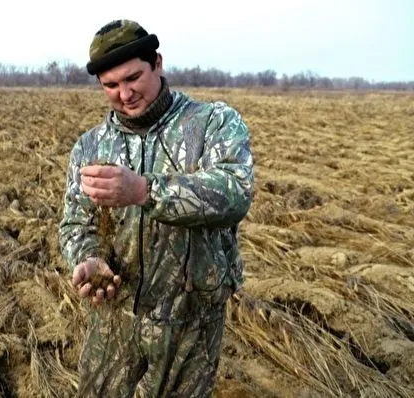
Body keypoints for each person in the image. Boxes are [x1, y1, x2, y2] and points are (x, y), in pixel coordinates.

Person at [58, 19, 254, 398]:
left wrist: (144, 190)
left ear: (158, 64)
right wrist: (87, 257)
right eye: (110, 86)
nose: (125, 94)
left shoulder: (213, 123)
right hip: (115, 316)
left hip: (190, 321)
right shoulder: (90, 147)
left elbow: (234, 193)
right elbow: (74, 223)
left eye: (133, 78)